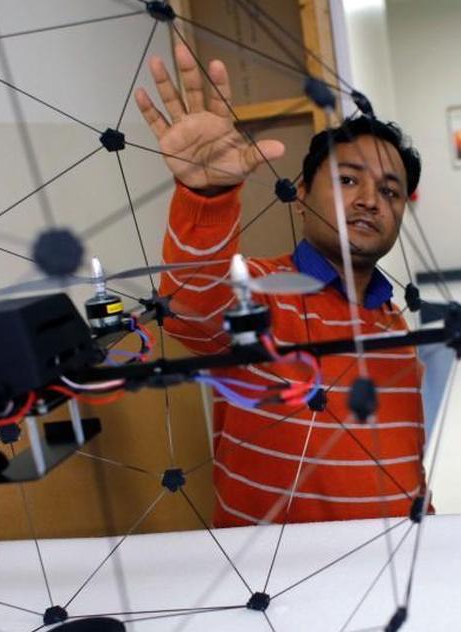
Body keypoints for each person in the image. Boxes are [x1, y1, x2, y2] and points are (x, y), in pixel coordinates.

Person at [134, 43, 427, 528]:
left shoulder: (397, 329)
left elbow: (408, 472)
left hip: (389, 575)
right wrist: (207, 196)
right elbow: (194, 307)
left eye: (391, 190)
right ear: (302, 193)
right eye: (349, 180)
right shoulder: (259, 292)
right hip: (274, 587)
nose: (371, 200)